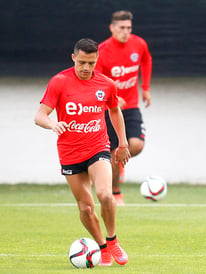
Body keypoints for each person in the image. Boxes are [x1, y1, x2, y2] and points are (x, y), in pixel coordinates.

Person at [34, 38, 130, 265]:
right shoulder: (59, 82)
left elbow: (115, 112)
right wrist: (53, 124)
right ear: (73, 58)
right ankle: (103, 248)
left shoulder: (106, 84)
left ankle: (113, 240)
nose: (86, 68)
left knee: (106, 195)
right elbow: (40, 115)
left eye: (91, 63)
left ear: (97, 60)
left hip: (98, 147)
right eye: (82, 63)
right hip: (69, 152)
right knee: (86, 208)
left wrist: (123, 143)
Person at [95, 10, 153, 205]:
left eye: (129, 28)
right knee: (113, 152)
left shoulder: (139, 44)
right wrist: (111, 99)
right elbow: (97, 82)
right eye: (121, 28)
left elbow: (146, 61)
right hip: (110, 109)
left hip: (131, 106)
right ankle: (116, 192)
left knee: (136, 144)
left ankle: (120, 164)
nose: (125, 32)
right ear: (112, 28)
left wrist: (145, 88)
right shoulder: (102, 51)